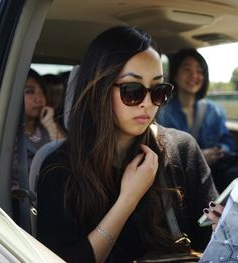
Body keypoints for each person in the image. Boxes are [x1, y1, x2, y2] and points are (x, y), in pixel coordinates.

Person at [37, 26, 220, 263]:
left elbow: (208, 242)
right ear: (100, 89)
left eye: (158, 91)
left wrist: (223, 230)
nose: (147, 103)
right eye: (132, 90)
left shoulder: (182, 150)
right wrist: (128, 200)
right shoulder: (60, 169)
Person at [156, 48, 238, 192]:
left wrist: (219, 151)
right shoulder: (162, 112)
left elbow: (228, 142)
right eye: (187, 69)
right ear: (175, 75)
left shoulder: (214, 111)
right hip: (180, 179)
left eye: (200, 71)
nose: (194, 75)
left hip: (214, 173)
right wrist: (197, 158)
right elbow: (161, 153)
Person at [11, 69, 65, 219]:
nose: (39, 99)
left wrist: (50, 124)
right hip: (21, 208)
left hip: (53, 202)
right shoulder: (5, 134)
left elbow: (67, 159)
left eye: (42, 92)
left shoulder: (46, 127)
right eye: (30, 92)